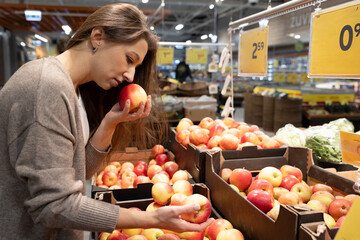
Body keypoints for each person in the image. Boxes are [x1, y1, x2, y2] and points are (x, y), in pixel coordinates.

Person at [0, 3, 213, 239]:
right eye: (129, 59)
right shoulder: (47, 87)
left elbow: (78, 175)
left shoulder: (73, 89)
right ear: (98, 37)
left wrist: (110, 123)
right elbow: (55, 205)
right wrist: (152, 219)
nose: (130, 77)